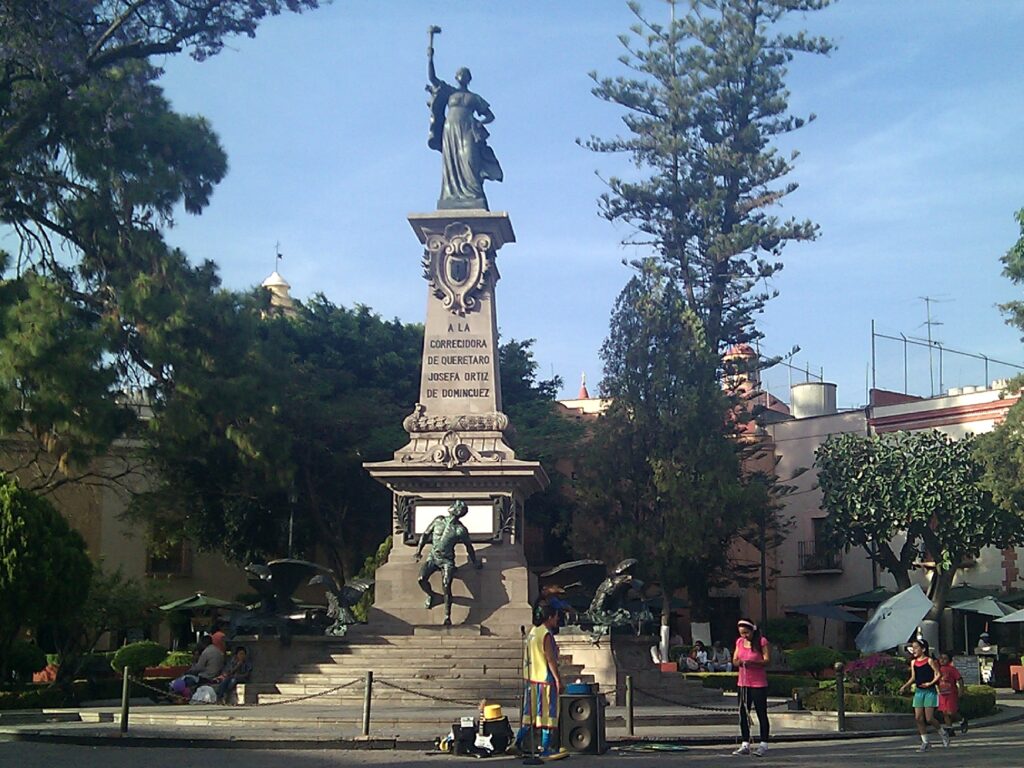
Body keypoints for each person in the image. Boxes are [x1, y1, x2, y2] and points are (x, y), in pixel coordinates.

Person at [426, 39, 503, 210]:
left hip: (468, 129)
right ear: (456, 77)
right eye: (460, 73)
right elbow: (432, 78)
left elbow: (490, 116)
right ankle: (451, 195)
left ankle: (474, 194)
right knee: (452, 161)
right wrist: (430, 57)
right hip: (450, 129)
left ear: (469, 79)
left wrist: (478, 123)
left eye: (465, 74)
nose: (462, 76)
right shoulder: (449, 91)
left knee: (469, 159)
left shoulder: (474, 98)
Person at [414, 500, 482, 626]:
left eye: (456, 505)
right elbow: (425, 534)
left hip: (447, 561)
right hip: (432, 557)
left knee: (446, 586)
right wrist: (418, 551)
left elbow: (469, 547)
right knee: (421, 578)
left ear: (458, 511)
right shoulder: (438, 520)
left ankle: (447, 616)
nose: (452, 506)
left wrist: (475, 562)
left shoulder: (460, 530)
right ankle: (431, 595)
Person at [518, 601, 562, 757]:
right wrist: (557, 679)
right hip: (545, 678)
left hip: (532, 678)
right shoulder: (546, 634)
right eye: (556, 617)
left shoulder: (533, 632)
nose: (557, 620)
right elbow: (550, 659)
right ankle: (545, 748)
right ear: (549, 617)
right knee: (547, 715)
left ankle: (517, 743)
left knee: (529, 714)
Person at [731, 619, 770, 757]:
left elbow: (766, 660)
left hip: (758, 683)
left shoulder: (761, 641)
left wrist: (754, 662)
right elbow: (735, 660)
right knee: (743, 714)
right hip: (743, 683)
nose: (744, 636)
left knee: (761, 713)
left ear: (752, 630)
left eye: (746, 633)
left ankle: (763, 743)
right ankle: (745, 743)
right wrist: (740, 662)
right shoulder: (739, 642)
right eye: (742, 633)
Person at [899, 638, 946, 750]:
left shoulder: (930, 661)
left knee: (929, 718)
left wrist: (930, 683)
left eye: (916, 647)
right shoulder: (913, 662)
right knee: (918, 718)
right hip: (919, 691)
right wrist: (905, 686)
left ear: (923, 649)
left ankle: (943, 733)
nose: (914, 650)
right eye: (913, 648)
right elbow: (913, 677)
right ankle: (925, 741)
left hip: (929, 691)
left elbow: (938, 674)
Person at [937, 652, 968, 740]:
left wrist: (961, 690)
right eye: (941, 658)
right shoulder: (937, 669)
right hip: (942, 694)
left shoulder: (952, 669)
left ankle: (962, 720)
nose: (942, 660)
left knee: (951, 711)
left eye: (945, 658)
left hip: (951, 693)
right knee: (944, 712)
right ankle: (950, 729)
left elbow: (959, 679)